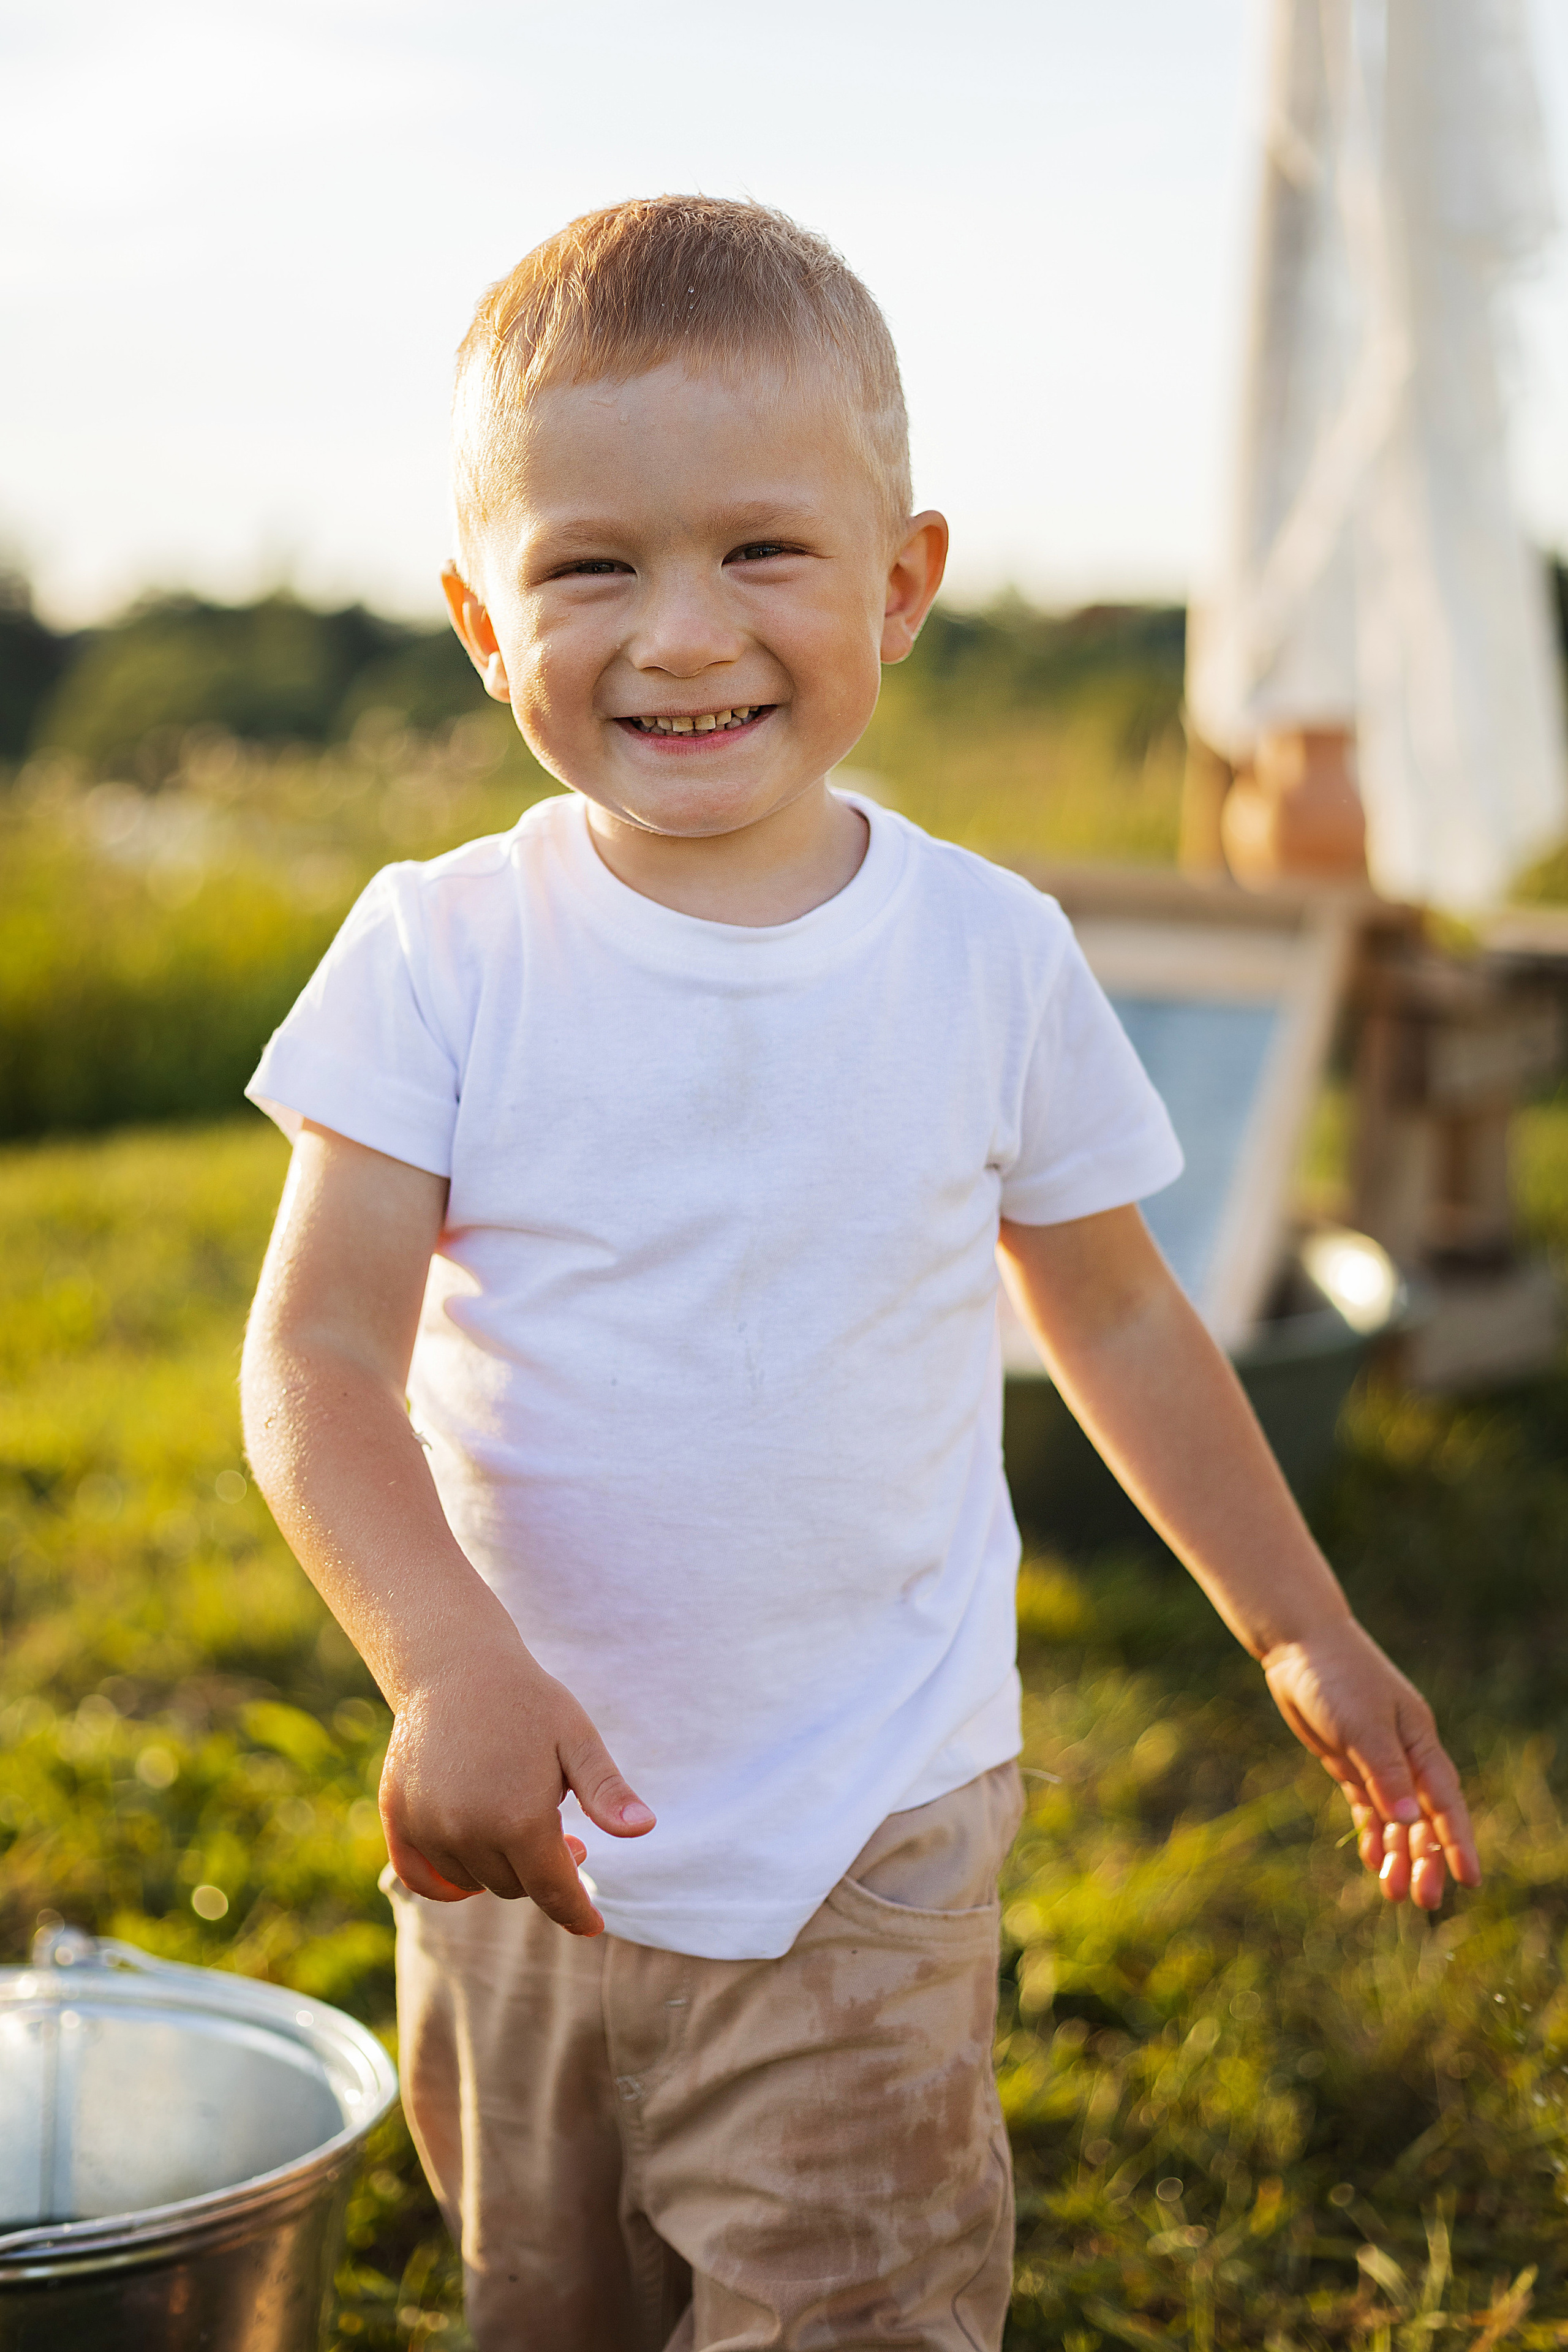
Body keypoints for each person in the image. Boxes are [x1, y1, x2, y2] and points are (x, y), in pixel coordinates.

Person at [239, 195, 1480, 2352]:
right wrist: (444, 1661)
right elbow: (321, 1352)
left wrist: (1299, 1625)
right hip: (525, 1851)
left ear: (902, 582)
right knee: (548, 2307)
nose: (682, 633)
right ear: (477, 619)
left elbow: (1112, 1308)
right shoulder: (442, 953)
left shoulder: (988, 952)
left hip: (865, 1843)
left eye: (763, 553)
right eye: (590, 566)